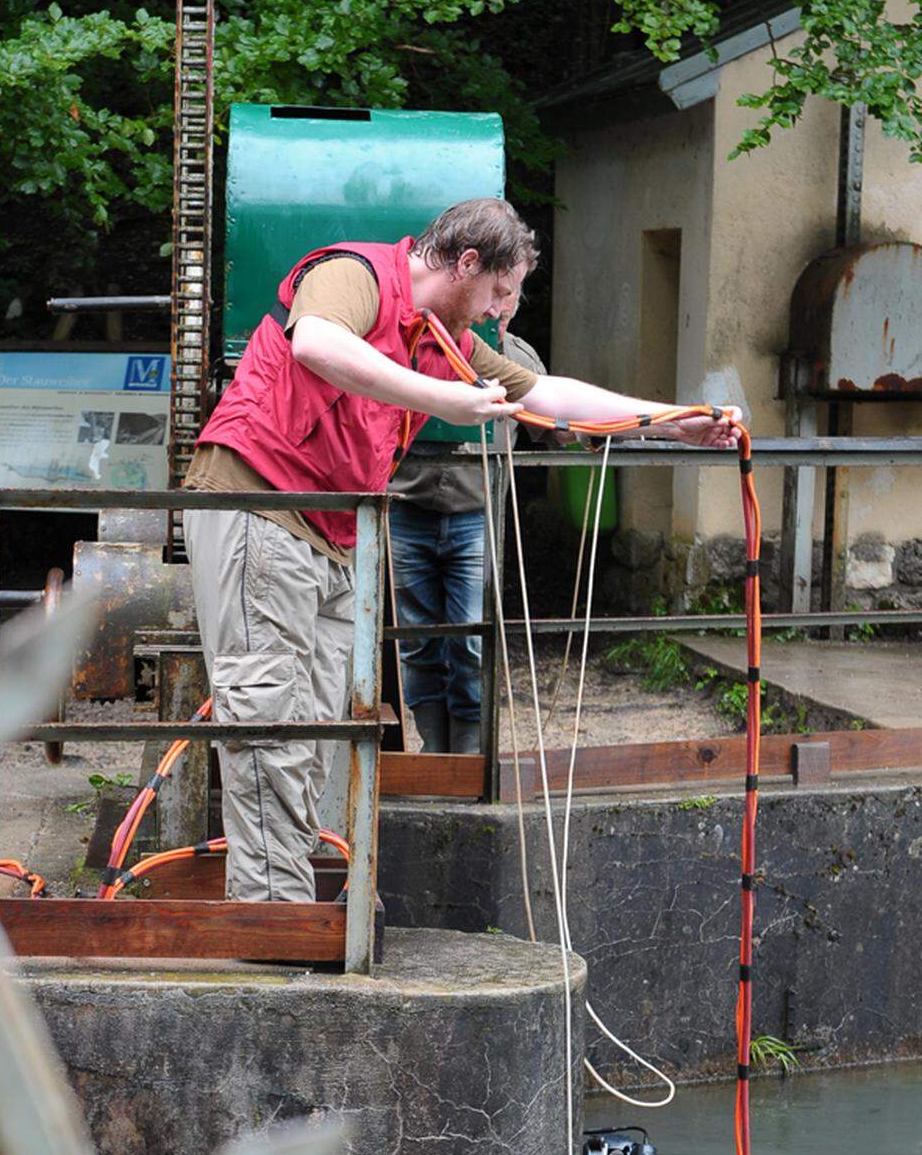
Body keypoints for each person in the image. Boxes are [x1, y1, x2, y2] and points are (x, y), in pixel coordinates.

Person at [182, 198, 740, 904]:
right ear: (468, 263)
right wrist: (443, 401)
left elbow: (548, 395)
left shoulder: (445, 343)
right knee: (269, 720)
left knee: (317, 729)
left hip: (333, 533)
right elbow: (317, 343)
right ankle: (273, 918)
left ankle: (305, 903)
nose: (500, 312)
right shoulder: (355, 274)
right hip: (257, 505)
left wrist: (670, 423)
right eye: (500, 293)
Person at [389, 326, 547, 756]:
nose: (499, 306)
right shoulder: (417, 339)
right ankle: (433, 749)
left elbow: (553, 427)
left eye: (510, 294)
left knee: (472, 640)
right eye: (496, 292)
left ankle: (469, 753)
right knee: (416, 638)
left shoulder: (516, 355)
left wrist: (608, 427)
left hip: (477, 513)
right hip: (407, 503)